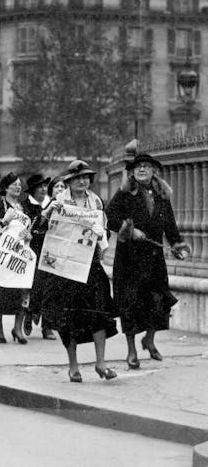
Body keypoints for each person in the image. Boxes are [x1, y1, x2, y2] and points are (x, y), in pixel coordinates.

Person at [106, 153, 189, 369]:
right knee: (130, 304)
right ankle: (132, 350)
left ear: (154, 171)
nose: (142, 170)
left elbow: (169, 223)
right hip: (129, 259)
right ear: (132, 172)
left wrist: (177, 244)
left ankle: (149, 339)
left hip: (154, 258)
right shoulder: (125, 193)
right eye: (138, 167)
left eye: (146, 166)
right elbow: (110, 217)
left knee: (159, 300)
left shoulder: (162, 194)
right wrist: (130, 231)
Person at [39, 160, 118, 382]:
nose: (82, 181)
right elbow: (40, 231)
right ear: (69, 182)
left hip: (90, 265)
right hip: (64, 269)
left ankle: (100, 362)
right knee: (68, 317)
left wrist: (101, 233)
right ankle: (73, 365)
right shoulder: (59, 202)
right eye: (77, 178)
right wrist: (46, 214)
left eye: (85, 177)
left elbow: (105, 231)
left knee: (99, 313)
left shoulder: (96, 202)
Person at [0, 173, 29, 344]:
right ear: (5, 188)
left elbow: (30, 226)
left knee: (22, 289)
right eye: (13, 185)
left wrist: (28, 234)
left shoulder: (23, 208)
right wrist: (3, 221)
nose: (17, 187)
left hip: (19, 254)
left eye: (19, 184)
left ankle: (18, 328)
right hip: (2, 257)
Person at [25, 176, 66, 341]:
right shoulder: (41, 206)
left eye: (63, 187)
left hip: (56, 251)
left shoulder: (67, 206)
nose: (60, 190)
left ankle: (47, 326)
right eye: (57, 187)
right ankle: (30, 313)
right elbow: (33, 227)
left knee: (52, 291)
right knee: (37, 287)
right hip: (37, 251)